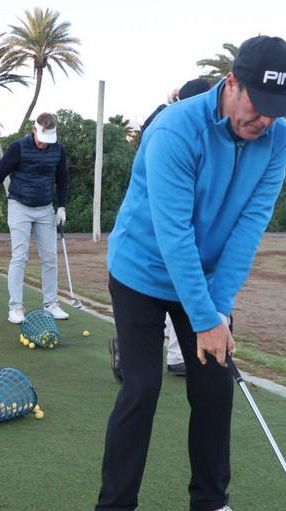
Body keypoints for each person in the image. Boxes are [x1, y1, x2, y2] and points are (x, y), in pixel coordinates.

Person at [93, 35, 286, 511]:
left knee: (215, 385)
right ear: (231, 84)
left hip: (206, 279)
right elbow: (174, 234)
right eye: (257, 107)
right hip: (141, 269)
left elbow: (249, 227)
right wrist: (205, 318)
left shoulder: (278, 140)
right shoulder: (174, 130)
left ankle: (208, 504)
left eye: (277, 113)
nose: (264, 122)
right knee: (142, 385)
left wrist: (218, 308)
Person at [111, 78, 213, 381]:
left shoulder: (206, 129)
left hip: (187, 238)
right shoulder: (165, 128)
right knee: (142, 378)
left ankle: (176, 355)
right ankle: (128, 346)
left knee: (183, 288)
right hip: (146, 245)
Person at [0, 112, 70, 324]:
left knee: (50, 257)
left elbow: (62, 178)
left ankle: (51, 303)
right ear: (35, 130)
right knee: (20, 255)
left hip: (45, 208)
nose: (44, 144)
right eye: (41, 139)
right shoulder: (18, 147)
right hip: (19, 206)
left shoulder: (58, 149)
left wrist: (62, 206)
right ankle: (15, 307)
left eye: (48, 141)